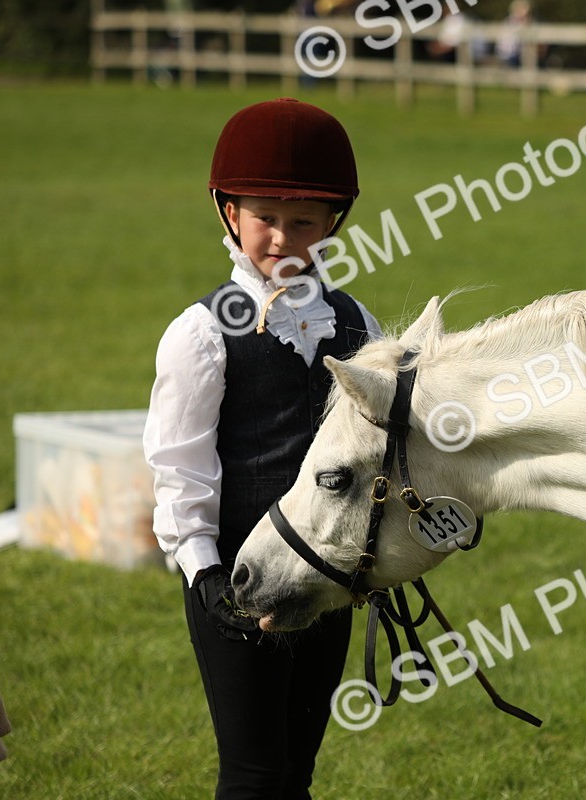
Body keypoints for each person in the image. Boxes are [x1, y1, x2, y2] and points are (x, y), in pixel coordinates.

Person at [144, 98, 382, 799]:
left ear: (332, 223)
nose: (282, 236)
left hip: (322, 574)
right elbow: (178, 468)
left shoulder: (353, 320)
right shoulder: (199, 334)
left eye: (302, 221)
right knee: (251, 776)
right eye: (264, 218)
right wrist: (205, 575)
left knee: (296, 772)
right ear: (229, 213)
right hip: (236, 581)